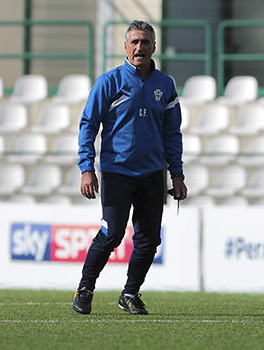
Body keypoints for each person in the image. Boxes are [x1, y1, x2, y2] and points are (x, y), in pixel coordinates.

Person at [72, 20, 187, 315]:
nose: (140, 47)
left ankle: (130, 294)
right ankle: (85, 288)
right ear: (125, 46)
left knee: (149, 241)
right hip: (117, 171)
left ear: (154, 47)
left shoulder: (166, 85)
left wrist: (177, 173)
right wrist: (87, 168)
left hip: (152, 175)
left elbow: (172, 133)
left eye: (145, 42)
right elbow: (88, 125)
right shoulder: (109, 82)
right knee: (111, 234)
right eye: (134, 42)